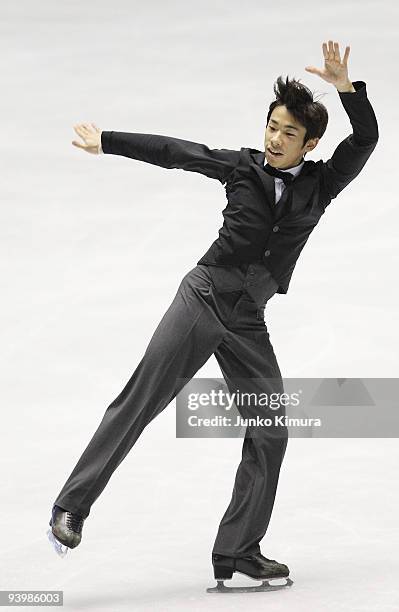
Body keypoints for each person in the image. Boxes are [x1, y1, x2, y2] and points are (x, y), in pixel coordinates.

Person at [47, 40, 378, 592]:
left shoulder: (322, 183)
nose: (273, 139)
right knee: (141, 401)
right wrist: (108, 141)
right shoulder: (241, 168)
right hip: (203, 298)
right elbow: (176, 150)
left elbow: (365, 139)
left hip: (249, 317)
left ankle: (238, 549)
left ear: (310, 143)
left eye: (288, 133)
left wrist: (347, 90)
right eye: (271, 126)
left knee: (270, 428)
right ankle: (71, 506)